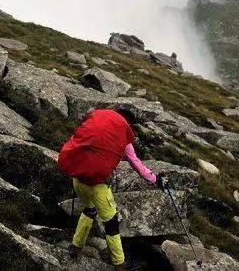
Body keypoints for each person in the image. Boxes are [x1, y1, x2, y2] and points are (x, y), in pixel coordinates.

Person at [58, 107, 163, 269]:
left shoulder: (95, 125)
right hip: (98, 186)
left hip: (78, 180)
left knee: (89, 209)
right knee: (111, 224)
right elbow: (137, 165)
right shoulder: (123, 139)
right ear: (127, 124)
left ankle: (75, 246)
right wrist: (155, 179)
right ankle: (119, 263)